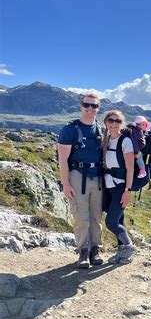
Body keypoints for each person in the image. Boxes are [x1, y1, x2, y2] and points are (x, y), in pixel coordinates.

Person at [57, 94, 103, 269]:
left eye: (94, 105)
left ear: (98, 108)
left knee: (96, 217)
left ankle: (95, 250)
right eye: (87, 105)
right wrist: (66, 184)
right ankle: (83, 251)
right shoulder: (69, 129)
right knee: (81, 217)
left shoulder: (100, 129)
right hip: (77, 176)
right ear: (81, 106)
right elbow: (62, 160)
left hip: (97, 177)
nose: (90, 108)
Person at [102, 110, 137, 264]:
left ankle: (129, 246)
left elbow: (130, 169)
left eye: (117, 121)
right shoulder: (106, 139)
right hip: (108, 185)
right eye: (111, 120)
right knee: (119, 221)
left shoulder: (125, 142)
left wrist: (127, 191)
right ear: (106, 122)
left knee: (111, 222)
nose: (114, 123)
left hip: (120, 187)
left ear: (121, 123)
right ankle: (122, 253)